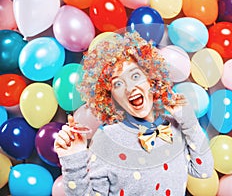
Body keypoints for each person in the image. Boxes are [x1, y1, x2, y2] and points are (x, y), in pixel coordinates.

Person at [54, 31, 214, 196]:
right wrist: (74, 161)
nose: (130, 88)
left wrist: (189, 121)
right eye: (117, 84)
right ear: (110, 97)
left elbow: (203, 170)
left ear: (151, 78)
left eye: (135, 75)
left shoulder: (173, 126)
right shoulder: (107, 139)